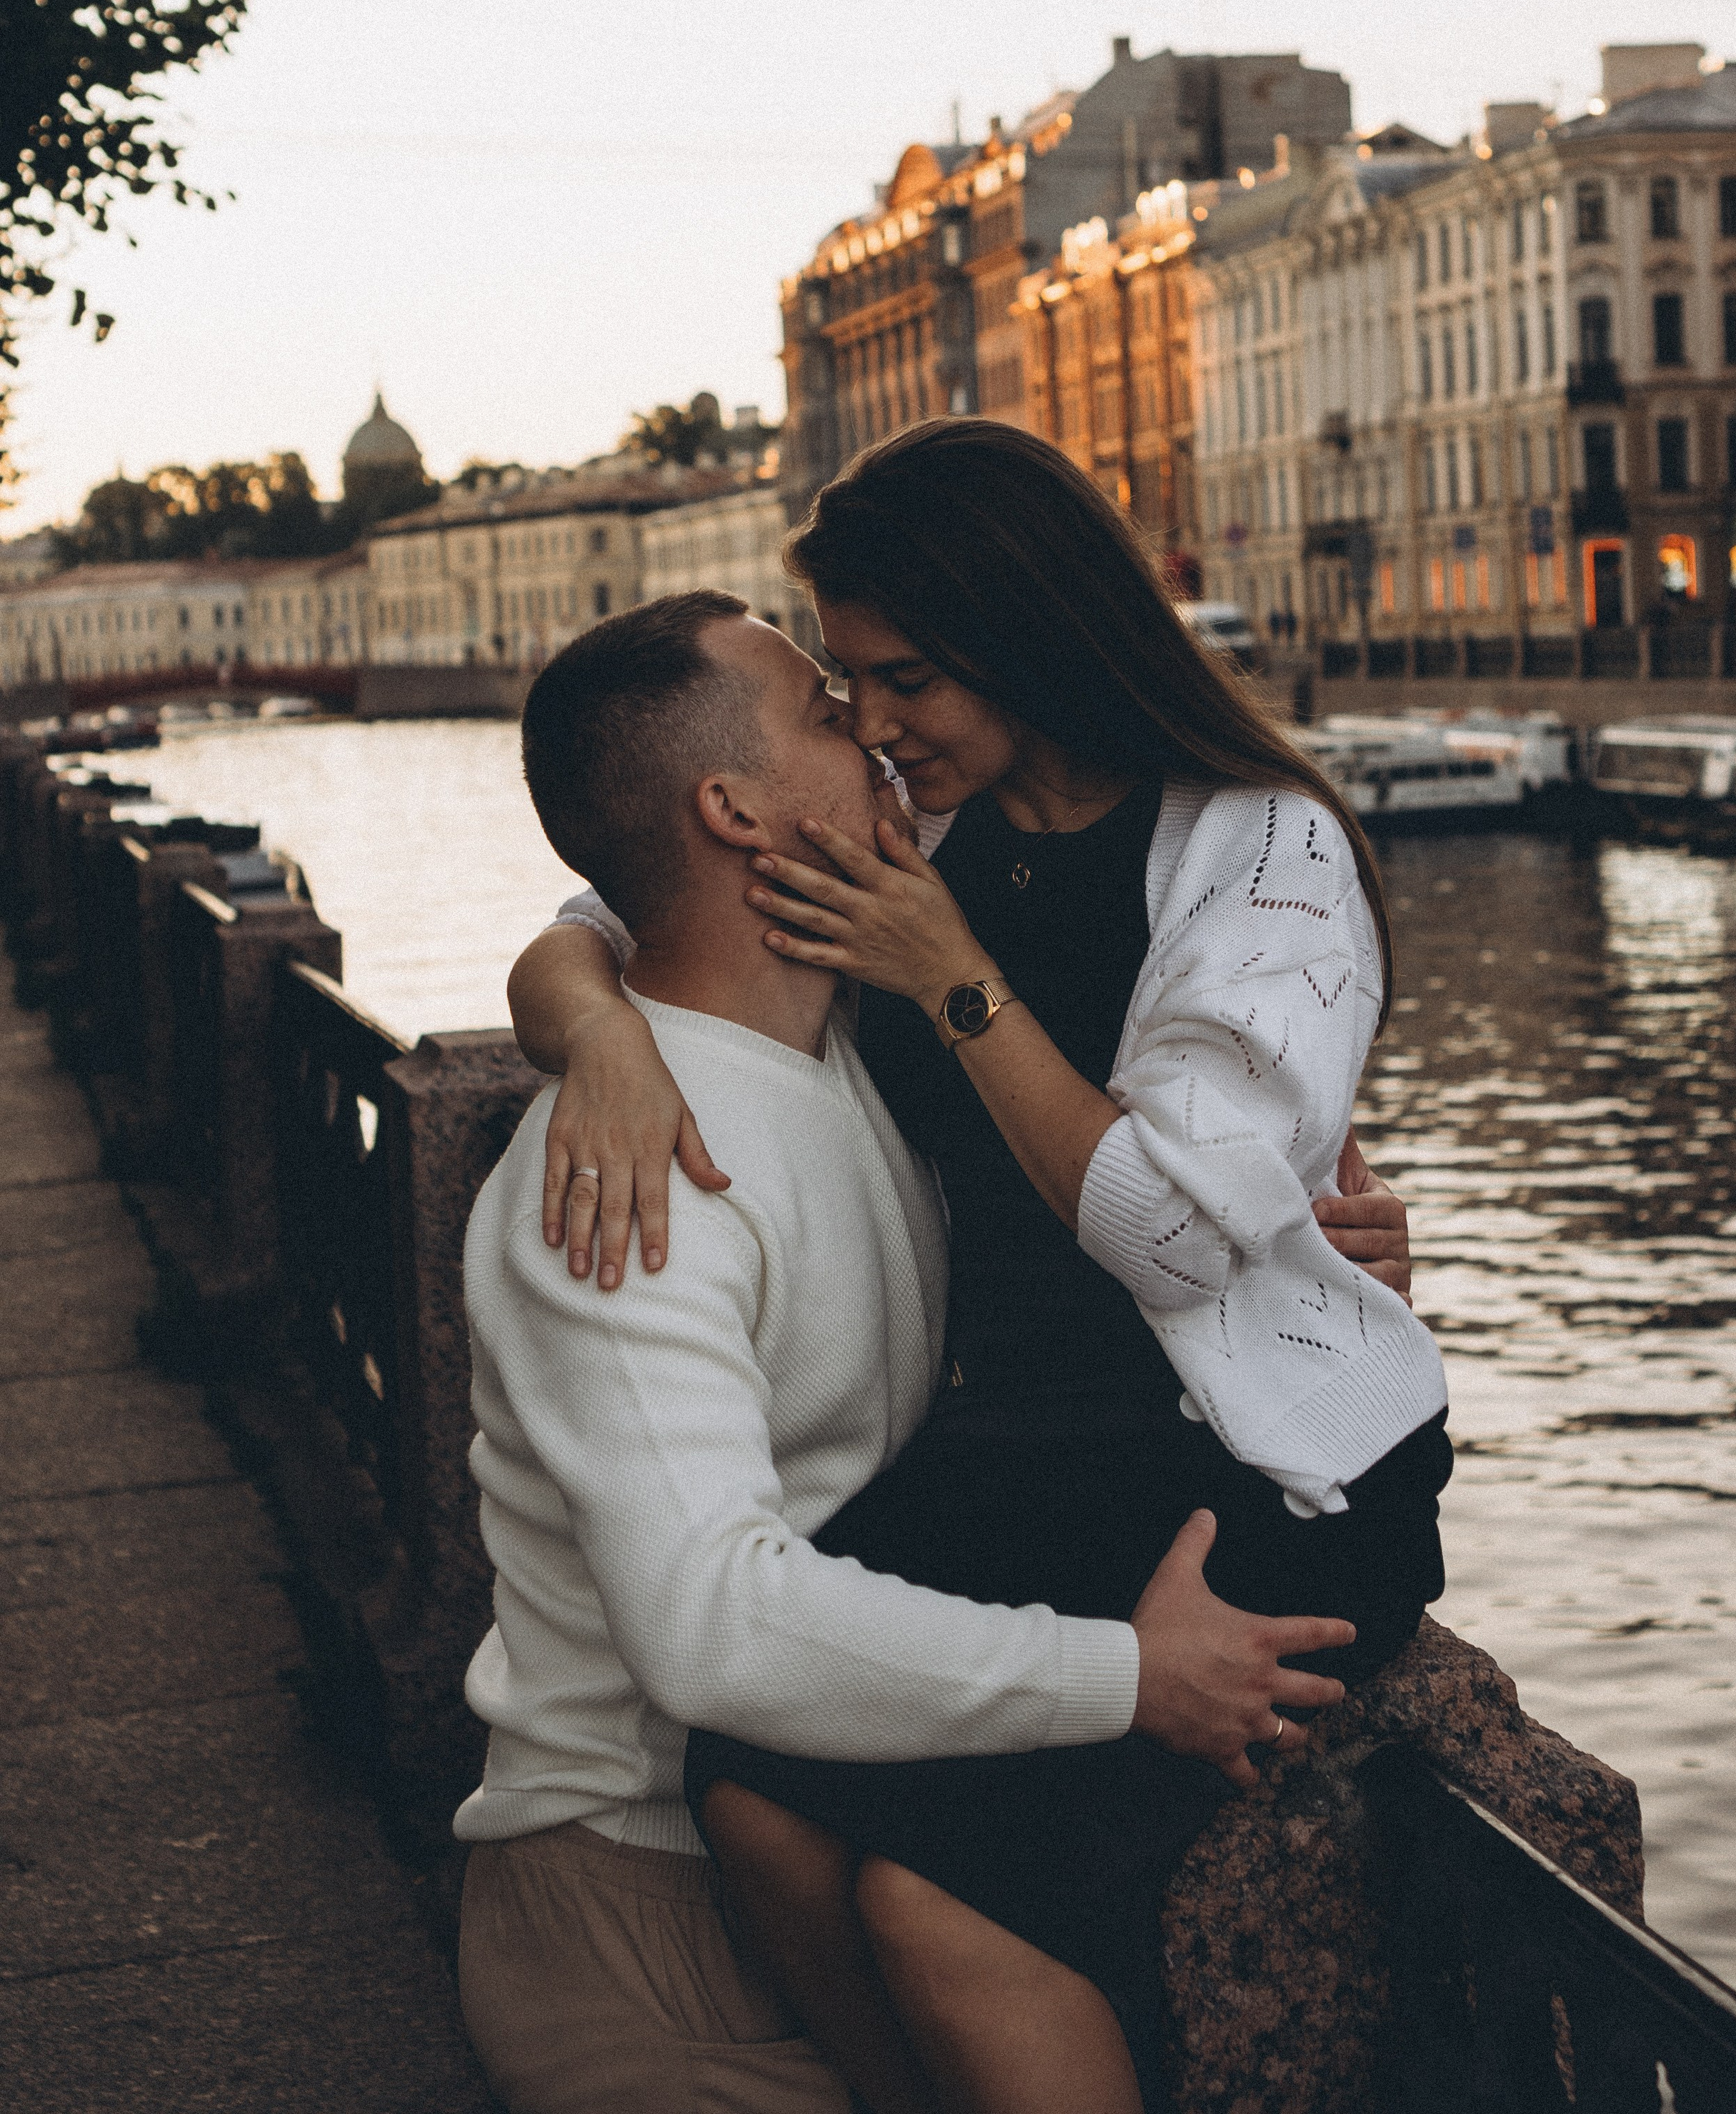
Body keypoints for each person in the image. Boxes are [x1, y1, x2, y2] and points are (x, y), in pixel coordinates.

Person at [511, 423, 1449, 2113]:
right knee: (748, 1786)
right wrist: (598, 1038)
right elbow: (621, 886)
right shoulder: (917, 832)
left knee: (944, 1902)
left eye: (903, 679)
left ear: (1030, 636)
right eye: (843, 688)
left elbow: (1169, 1231)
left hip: (1236, 1472)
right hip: (1023, 1449)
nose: (871, 725)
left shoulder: (1259, 850)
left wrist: (956, 983)